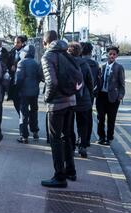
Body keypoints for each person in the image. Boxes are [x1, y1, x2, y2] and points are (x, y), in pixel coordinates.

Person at [41, 31, 77, 188]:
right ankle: (70, 170)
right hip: (71, 100)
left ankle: (59, 176)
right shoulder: (66, 52)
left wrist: (47, 98)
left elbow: (52, 82)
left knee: (55, 140)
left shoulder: (48, 56)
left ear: (45, 42)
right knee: (67, 137)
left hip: (57, 104)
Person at [67, 42, 94, 158]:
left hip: (69, 98)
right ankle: (82, 146)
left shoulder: (66, 64)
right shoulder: (85, 64)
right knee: (82, 124)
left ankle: (71, 147)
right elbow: (90, 82)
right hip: (84, 98)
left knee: (69, 124)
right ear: (80, 52)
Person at [96, 46, 125, 145]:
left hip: (113, 97)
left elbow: (122, 84)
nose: (112, 56)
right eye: (110, 54)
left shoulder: (119, 68)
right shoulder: (103, 67)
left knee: (111, 119)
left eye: (114, 54)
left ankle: (109, 137)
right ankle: (101, 137)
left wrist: (120, 96)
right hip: (101, 96)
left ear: (116, 56)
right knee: (100, 118)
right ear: (107, 54)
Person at [15, 44, 42, 144]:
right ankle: (35, 131)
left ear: (25, 53)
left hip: (24, 92)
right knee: (34, 111)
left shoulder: (21, 63)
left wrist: (17, 89)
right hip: (34, 92)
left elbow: (19, 79)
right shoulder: (36, 63)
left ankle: (24, 136)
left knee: (24, 113)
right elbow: (40, 77)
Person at [81, 42, 101, 147]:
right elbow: (98, 80)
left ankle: (79, 138)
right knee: (88, 117)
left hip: (78, 93)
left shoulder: (77, 62)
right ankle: (86, 139)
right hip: (90, 93)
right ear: (90, 51)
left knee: (77, 118)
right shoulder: (95, 64)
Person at [7, 36, 27, 111]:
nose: (16, 44)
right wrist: (10, 68)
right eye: (15, 42)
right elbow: (7, 64)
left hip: (22, 80)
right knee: (15, 101)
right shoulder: (12, 52)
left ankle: (24, 119)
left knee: (22, 101)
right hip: (13, 80)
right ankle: (22, 118)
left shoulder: (25, 52)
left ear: (22, 43)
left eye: (18, 42)